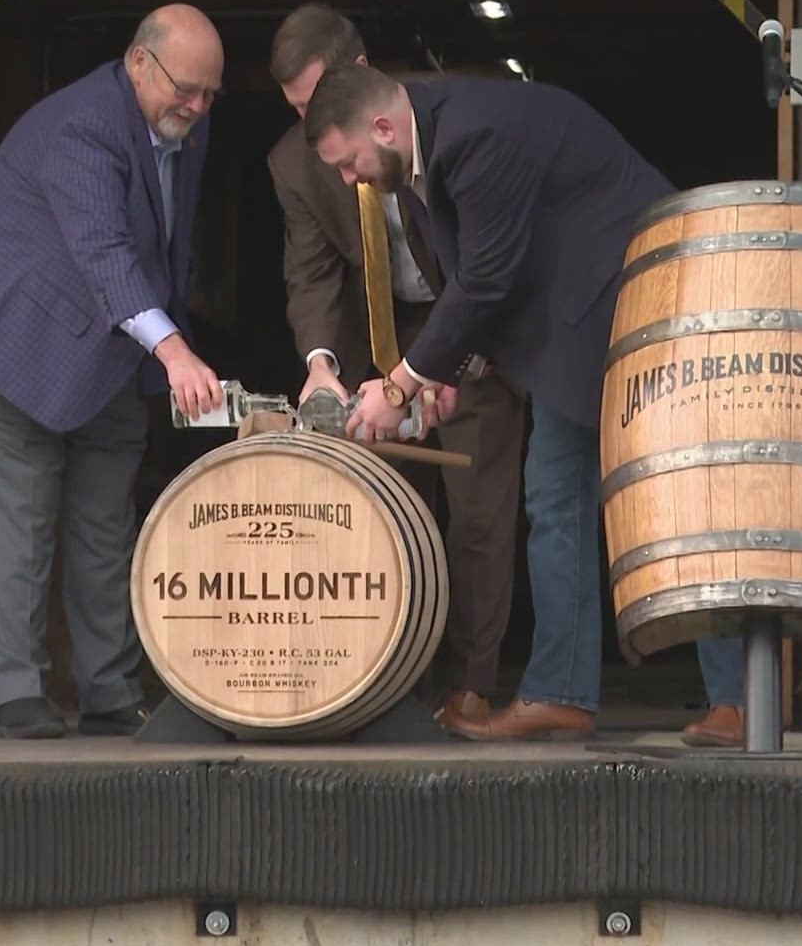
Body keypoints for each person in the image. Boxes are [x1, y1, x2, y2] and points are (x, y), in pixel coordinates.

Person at [302, 61, 749, 744]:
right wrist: (444, 372)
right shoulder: (431, 140)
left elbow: (485, 280)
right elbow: (490, 269)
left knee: (684, 496)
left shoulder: (472, 137)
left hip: (645, 304)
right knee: (557, 494)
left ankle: (732, 702)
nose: (348, 179)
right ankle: (569, 693)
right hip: (583, 319)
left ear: (383, 127)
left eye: (349, 160)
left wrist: (399, 385)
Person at [0, 3, 227, 740]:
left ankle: (110, 692)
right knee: (19, 516)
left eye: (211, 92)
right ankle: (19, 692)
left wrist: (157, 343)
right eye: (186, 87)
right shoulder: (82, 126)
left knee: (106, 517)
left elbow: (169, 244)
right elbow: (104, 251)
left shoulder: (189, 120)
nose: (198, 105)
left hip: (113, 344)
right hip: (5, 338)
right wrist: (174, 349)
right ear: (138, 63)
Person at [264, 4, 528, 730]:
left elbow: (483, 268)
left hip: (468, 326)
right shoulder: (293, 161)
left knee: (478, 511)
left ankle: (469, 685)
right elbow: (310, 274)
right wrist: (321, 366)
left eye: (317, 101)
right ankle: (387, 682)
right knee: (381, 516)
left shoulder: (431, 120)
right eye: (295, 110)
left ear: (360, 76)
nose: (312, 125)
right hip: (375, 343)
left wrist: (437, 363)